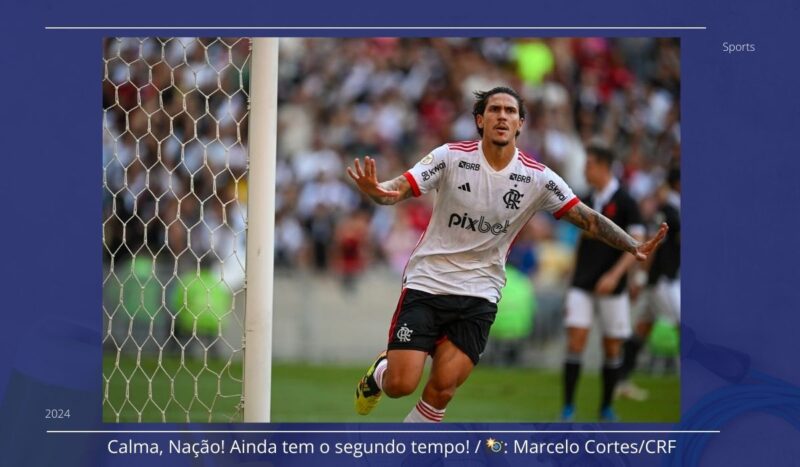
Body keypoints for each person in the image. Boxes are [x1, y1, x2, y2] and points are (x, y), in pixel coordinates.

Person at [347, 86, 667, 422]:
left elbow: (587, 217)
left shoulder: (538, 178)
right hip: (429, 283)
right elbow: (396, 189)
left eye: (511, 111)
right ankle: (381, 372)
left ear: (520, 125)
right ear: (480, 120)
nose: (503, 116)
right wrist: (377, 193)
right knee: (401, 384)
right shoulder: (450, 157)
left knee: (442, 389)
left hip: (480, 293)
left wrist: (631, 244)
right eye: (495, 109)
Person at [561, 145, 646, 422]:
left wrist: (615, 276)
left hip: (613, 287)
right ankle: (568, 408)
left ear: (604, 167)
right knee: (575, 341)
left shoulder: (626, 201)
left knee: (612, 347)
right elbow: (578, 245)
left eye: (589, 165)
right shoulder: (583, 200)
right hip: (581, 284)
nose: (585, 170)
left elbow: (636, 247)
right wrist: (572, 275)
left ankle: (606, 407)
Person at [617, 166, 681, 400]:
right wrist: (641, 277)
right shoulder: (669, 211)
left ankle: (620, 379)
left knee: (643, 328)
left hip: (665, 279)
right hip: (661, 281)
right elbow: (654, 246)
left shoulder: (675, 209)